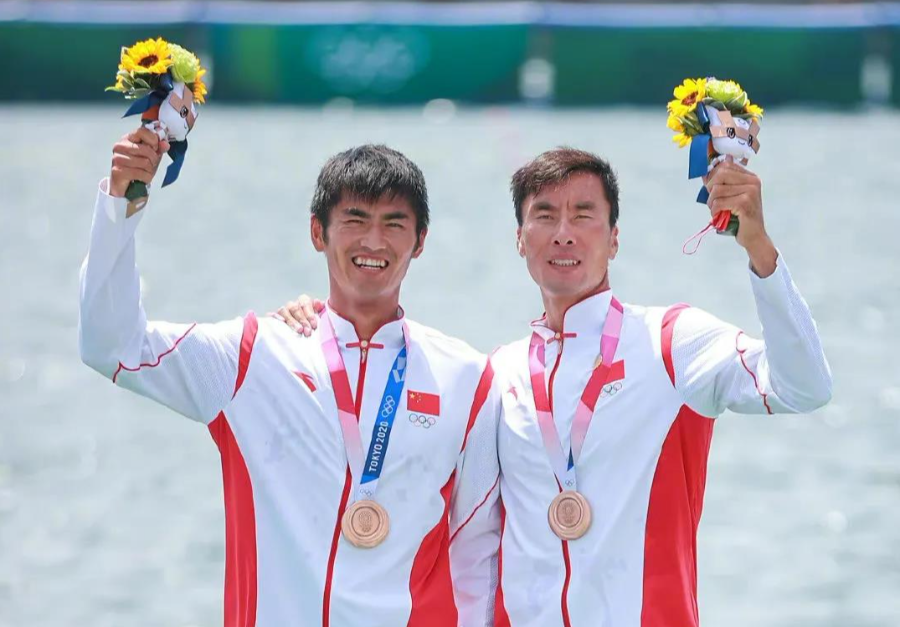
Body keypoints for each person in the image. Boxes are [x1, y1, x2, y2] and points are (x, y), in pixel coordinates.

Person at [277, 147, 833, 627]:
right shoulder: (500, 375)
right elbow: (471, 541)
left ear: (614, 239)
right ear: (520, 240)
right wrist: (314, 325)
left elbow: (803, 387)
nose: (563, 231)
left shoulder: (672, 344)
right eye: (544, 214)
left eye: (583, 214)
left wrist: (759, 248)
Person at [79, 131, 502, 627]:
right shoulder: (252, 357)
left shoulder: (467, 378)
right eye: (355, 220)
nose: (373, 241)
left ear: (421, 241)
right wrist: (122, 203)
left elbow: (478, 556)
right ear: (318, 233)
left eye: (394, 223)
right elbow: (113, 346)